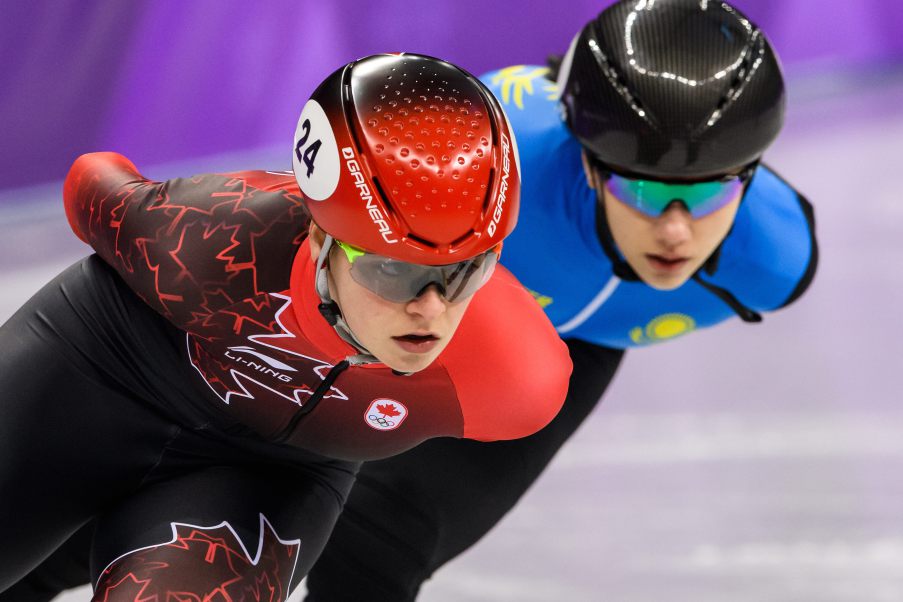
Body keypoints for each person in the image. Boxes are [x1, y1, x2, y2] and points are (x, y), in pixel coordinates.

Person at [0, 53, 572, 601]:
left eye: (467, 272)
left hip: (266, 476)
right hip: (101, 375)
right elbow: (91, 183)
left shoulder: (515, 377)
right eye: (392, 270)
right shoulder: (216, 237)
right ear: (321, 239)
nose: (431, 308)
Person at [300, 1, 819, 600]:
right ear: (591, 167)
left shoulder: (776, 259)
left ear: (748, 178)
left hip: (574, 345)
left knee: (381, 542)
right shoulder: (498, 157)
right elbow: (334, 222)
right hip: (436, 286)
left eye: (708, 196)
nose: (676, 231)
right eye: (644, 190)